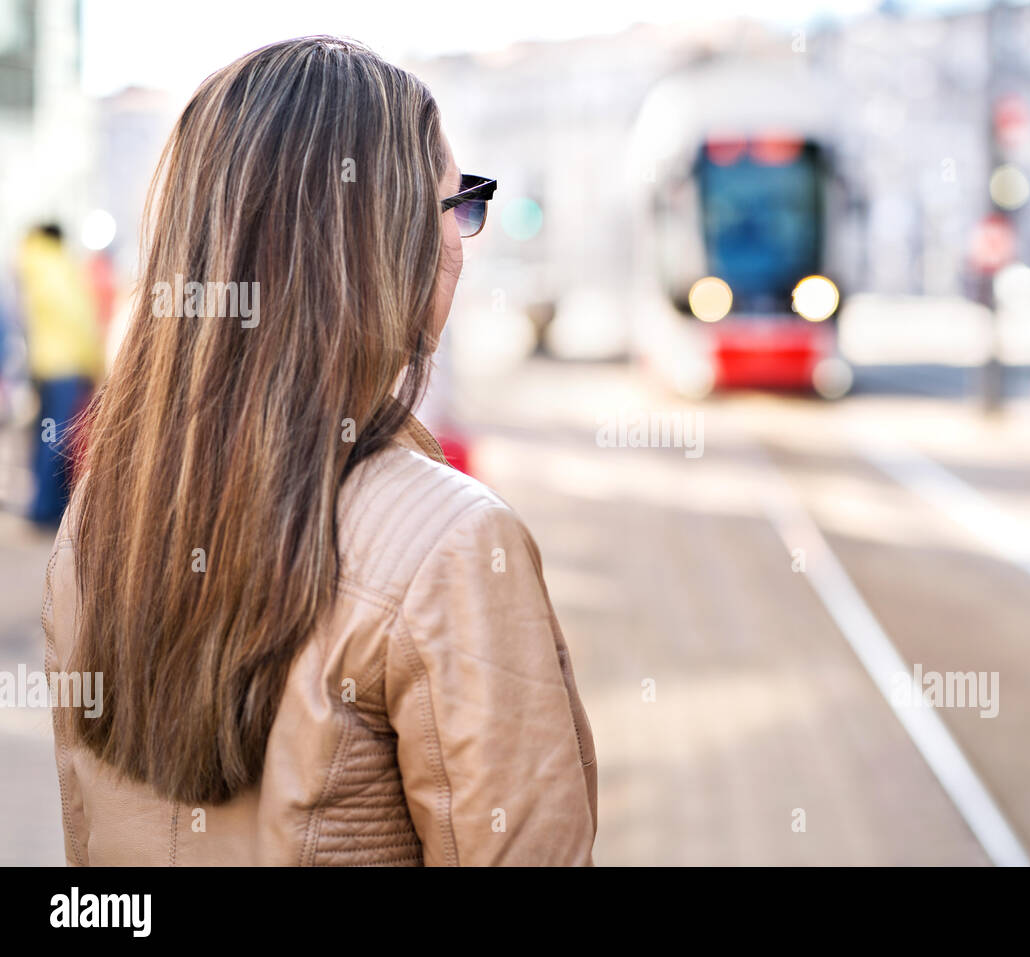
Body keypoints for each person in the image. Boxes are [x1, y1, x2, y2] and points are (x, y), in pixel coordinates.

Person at [43, 36, 596, 866]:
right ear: (385, 242)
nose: (464, 241)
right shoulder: (451, 543)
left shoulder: (101, 516)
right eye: (460, 207)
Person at [15, 223, 101, 526]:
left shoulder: (31, 266)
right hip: (67, 364)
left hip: (45, 364)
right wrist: (95, 360)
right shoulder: (56, 265)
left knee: (46, 435)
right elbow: (77, 317)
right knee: (60, 438)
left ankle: (41, 504)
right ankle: (48, 508)